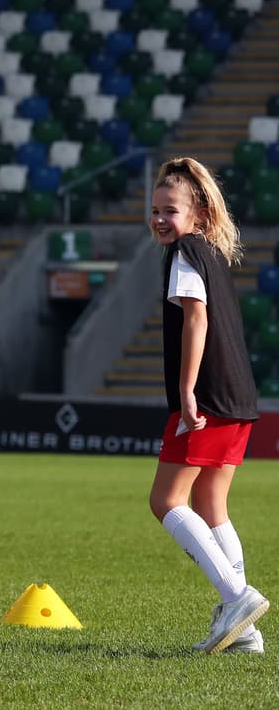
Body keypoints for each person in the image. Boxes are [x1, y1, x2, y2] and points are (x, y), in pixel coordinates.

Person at [147, 157, 268, 655]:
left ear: (196, 212)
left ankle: (237, 599)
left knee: (166, 501)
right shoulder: (211, 252)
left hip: (209, 397)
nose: (159, 219)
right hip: (238, 397)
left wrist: (188, 391)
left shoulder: (185, 254)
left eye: (169, 210)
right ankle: (246, 633)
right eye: (154, 210)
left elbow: (196, 323)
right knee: (211, 504)